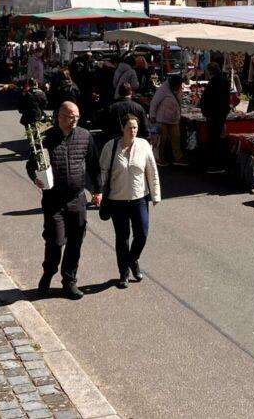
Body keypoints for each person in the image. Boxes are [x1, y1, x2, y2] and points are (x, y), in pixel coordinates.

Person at [27, 102, 102, 300]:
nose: (75, 120)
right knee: (56, 241)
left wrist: (98, 190)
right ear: (59, 116)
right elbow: (31, 164)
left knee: (76, 241)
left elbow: (94, 165)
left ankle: (69, 282)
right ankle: (49, 271)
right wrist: (35, 177)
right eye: (70, 116)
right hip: (53, 200)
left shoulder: (85, 136)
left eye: (77, 116)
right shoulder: (45, 139)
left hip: (77, 199)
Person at [98, 115, 160, 288]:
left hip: (139, 198)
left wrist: (155, 195)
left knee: (142, 234)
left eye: (135, 128)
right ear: (122, 129)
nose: (132, 131)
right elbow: (102, 172)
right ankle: (123, 273)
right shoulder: (110, 147)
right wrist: (98, 192)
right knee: (122, 238)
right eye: (129, 128)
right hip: (117, 201)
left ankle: (132, 260)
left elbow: (152, 171)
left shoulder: (144, 145)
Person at [199, 62, 231, 174]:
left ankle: (215, 165)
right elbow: (227, 99)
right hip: (221, 115)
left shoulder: (214, 82)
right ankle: (221, 164)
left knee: (213, 140)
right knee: (220, 139)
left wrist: (205, 111)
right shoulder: (225, 80)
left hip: (213, 115)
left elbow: (206, 99)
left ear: (210, 71)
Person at [150, 74, 186, 166]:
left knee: (176, 138)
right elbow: (154, 102)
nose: (179, 87)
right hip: (162, 119)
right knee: (161, 140)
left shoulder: (178, 89)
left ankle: (177, 157)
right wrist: (152, 115)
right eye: (178, 85)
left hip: (174, 119)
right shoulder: (163, 89)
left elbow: (179, 102)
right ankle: (159, 158)